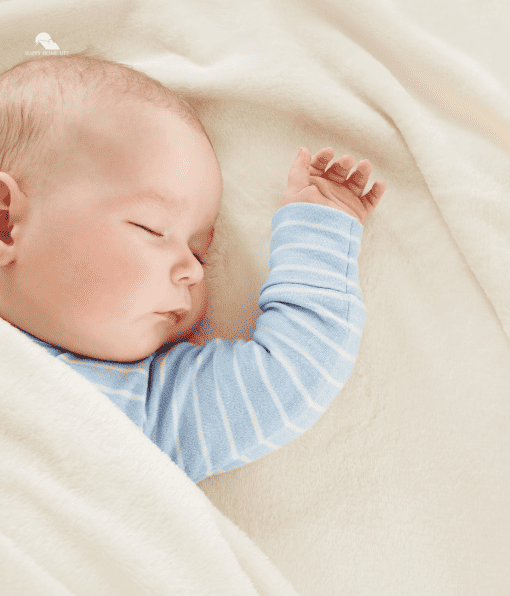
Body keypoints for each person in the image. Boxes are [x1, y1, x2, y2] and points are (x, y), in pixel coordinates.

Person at [0, 52, 386, 483]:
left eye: (200, 253)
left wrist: (321, 228)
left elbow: (288, 376)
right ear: (5, 221)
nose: (194, 271)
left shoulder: (149, 406)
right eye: (151, 228)